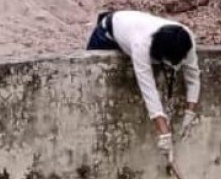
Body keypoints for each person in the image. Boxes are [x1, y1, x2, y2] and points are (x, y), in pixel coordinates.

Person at [86, 10, 200, 163]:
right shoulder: (141, 45)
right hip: (108, 32)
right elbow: (149, 90)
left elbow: (193, 76)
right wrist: (164, 134)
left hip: (133, 26)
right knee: (92, 81)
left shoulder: (186, 37)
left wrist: (189, 112)